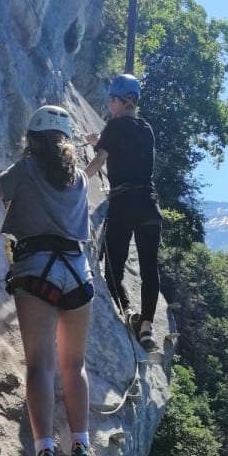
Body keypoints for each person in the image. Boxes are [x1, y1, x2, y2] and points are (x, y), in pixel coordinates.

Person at [0, 105, 103, 456]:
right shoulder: (78, 178)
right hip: (77, 272)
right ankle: (81, 445)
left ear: (33, 138)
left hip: (38, 270)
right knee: (74, 365)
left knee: (41, 366)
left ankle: (45, 452)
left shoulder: (24, 170)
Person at [84, 74, 162, 351]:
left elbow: (101, 160)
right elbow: (126, 151)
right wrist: (100, 140)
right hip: (149, 205)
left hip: (122, 204)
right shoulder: (147, 129)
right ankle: (147, 327)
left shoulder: (114, 127)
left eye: (111, 100)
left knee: (113, 269)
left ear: (120, 100)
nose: (109, 105)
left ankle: (127, 310)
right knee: (150, 268)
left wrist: (77, 181)